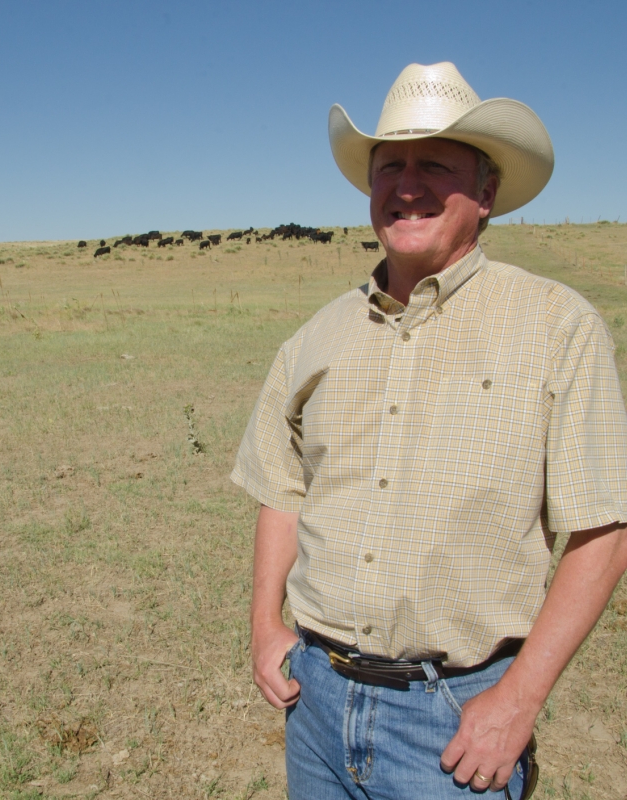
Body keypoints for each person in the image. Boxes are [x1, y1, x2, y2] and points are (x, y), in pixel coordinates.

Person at [232, 62, 627, 799]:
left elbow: (603, 531)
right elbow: (280, 488)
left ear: (485, 193)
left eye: (435, 166)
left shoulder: (557, 327)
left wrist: (519, 699)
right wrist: (263, 626)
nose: (406, 185)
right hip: (314, 700)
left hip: (452, 720)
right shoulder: (316, 337)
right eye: (390, 166)